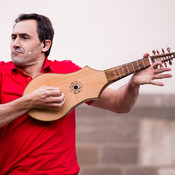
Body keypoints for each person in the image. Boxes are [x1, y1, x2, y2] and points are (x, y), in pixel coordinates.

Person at [0, 13, 172, 175]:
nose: (15, 43)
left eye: (24, 37)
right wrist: (29, 101)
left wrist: (133, 84)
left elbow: (120, 104)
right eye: (13, 37)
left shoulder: (67, 71)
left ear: (45, 45)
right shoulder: (2, 73)